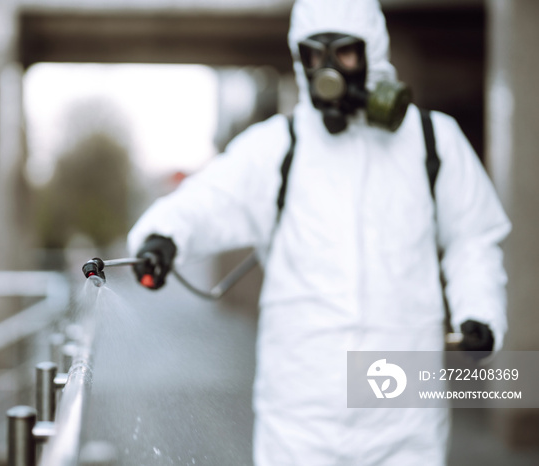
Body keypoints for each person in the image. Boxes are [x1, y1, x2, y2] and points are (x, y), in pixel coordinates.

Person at [127, 0, 510, 464]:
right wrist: (161, 238)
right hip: (300, 414)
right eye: (313, 55)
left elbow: (474, 237)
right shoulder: (279, 147)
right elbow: (207, 201)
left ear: (374, 52)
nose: (328, 69)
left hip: (403, 409)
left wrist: (480, 313)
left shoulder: (431, 140)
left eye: (344, 53)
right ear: (298, 57)